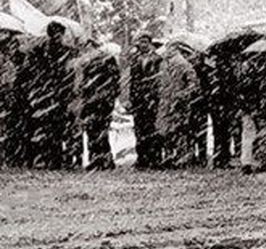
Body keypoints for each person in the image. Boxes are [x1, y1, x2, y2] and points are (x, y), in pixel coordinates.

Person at [23, 21, 78, 169]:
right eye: (56, 34)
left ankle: (57, 158)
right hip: (47, 94)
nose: (58, 37)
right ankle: (49, 158)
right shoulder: (39, 51)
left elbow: (71, 74)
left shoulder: (68, 51)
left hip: (59, 94)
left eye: (60, 34)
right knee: (47, 127)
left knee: (58, 127)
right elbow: (33, 72)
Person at [75, 40, 120, 170]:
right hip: (92, 101)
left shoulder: (107, 60)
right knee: (92, 130)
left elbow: (114, 81)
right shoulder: (88, 63)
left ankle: (103, 158)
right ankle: (98, 158)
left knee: (100, 130)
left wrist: (106, 95)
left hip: (101, 101)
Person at [156, 44, 199, 167]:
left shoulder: (183, 64)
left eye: (172, 49)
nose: (169, 52)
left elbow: (193, 84)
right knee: (169, 130)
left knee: (178, 130)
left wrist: (182, 94)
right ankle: (172, 156)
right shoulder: (164, 64)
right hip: (167, 101)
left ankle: (180, 156)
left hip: (177, 103)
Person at [129, 34, 163, 169]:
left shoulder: (157, 59)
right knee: (139, 129)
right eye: (140, 42)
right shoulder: (135, 59)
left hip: (152, 98)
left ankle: (154, 158)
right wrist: (132, 98)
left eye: (145, 42)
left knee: (152, 129)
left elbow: (159, 78)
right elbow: (132, 81)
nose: (142, 45)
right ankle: (142, 158)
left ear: (150, 43)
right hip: (139, 99)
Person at [0, 34, 23, 166]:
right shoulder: (9, 64)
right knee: (5, 125)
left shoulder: (9, 64)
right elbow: (10, 82)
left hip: (5, 95)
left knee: (5, 125)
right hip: (5, 95)